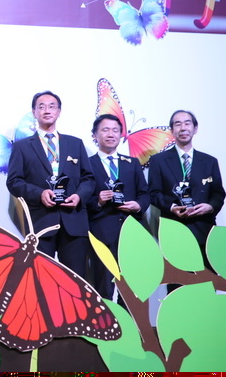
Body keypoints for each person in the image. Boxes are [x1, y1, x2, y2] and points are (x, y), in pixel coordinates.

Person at [6, 91, 95, 278]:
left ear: (59, 111)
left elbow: (88, 179)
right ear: (34, 112)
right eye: (41, 107)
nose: (47, 110)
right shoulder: (22, 147)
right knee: (41, 279)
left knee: (75, 280)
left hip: (73, 222)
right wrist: (39, 194)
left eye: (52, 106)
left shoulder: (75, 144)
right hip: (41, 223)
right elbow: (14, 182)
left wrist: (79, 196)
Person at [148, 110, 224, 268]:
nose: (183, 128)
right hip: (174, 231)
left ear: (195, 129)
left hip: (204, 230)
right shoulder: (158, 160)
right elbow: (154, 193)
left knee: (207, 279)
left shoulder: (209, 161)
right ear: (172, 130)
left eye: (187, 123)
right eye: (178, 124)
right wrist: (172, 207)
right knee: (178, 280)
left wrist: (210, 207)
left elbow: (218, 193)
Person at [87, 114, 150, 300]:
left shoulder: (132, 163)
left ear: (121, 135)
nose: (111, 134)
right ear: (94, 135)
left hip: (130, 233)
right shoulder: (87, 164)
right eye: (105, 130)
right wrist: (98, 200)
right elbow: (82, 199)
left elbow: (145, 194)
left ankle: (129, 319)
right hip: (102, 234)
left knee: (131, 291)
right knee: (103, 288)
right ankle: (105, 319)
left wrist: (138, 205)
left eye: (115, 130)